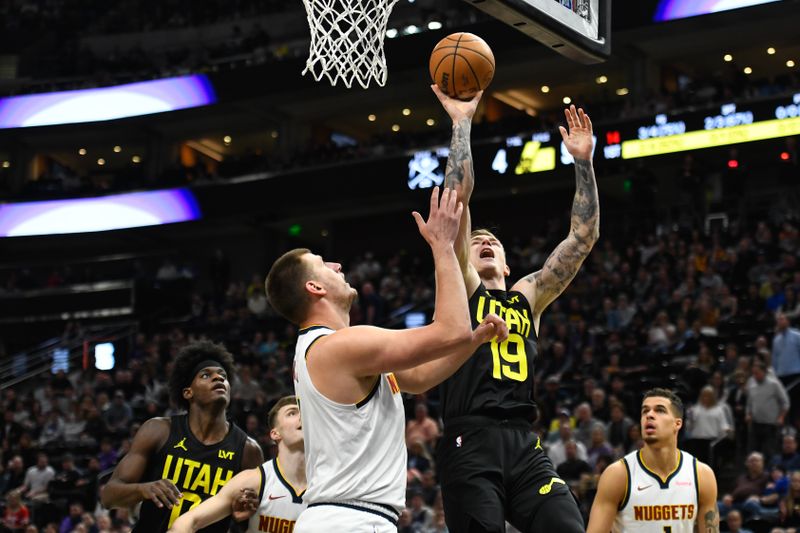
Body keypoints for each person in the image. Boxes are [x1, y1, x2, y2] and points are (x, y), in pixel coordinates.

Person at [264, 187, 507, 532]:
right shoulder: (340, 346)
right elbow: (450, 329)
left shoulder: (335, 351)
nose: (336, 265)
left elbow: (420, 376)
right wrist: (443, 246)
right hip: (349, 520)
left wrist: (475, 339)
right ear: (315, 288)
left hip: (347, 518)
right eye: (323, 265)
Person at [431, 83, 599, 532]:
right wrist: (462, 123)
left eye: (494, 241)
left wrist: (582, 163)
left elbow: (582, 239)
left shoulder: (528, 295)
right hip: (471, 437)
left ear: (507, 263)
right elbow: (457, 199)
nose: (484, 241)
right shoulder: (464, 287)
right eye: (476, 240)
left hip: (525, 444)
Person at [100, 340, 264, 533]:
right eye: (206, 375)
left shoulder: (248, 451)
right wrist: (143, 489)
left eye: (223, 376)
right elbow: (109, 496)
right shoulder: (158, 431)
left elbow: (253, 522)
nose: (218, 379)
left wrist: (244, 515)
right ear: (188, 392)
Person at [586, 388, 719, 533]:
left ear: (677, 424)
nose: (649, 415)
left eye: (660, 410)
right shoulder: (618, 474)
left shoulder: (701, 475)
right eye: (645, 411)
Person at [169, 396, 305, 533]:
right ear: (275, 434)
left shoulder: (325, 483)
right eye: (292, 413)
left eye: (305, 412)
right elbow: (189, 520)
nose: (302, 417)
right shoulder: (254, 480)